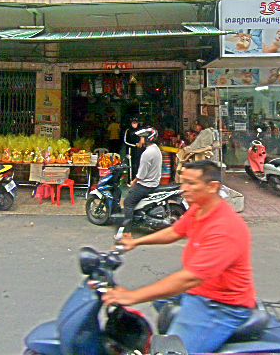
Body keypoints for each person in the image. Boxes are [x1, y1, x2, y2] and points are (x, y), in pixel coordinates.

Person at [104, 160, 256, 353]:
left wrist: (132, 296)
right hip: (201, 290)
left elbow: (189, 278)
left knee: (174, 350)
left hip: (221, 306)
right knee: (160, 301)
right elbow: (174, 232)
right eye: (183, 182)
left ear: (212, 187)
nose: (184, 189)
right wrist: (136, 242)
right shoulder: (199, 209)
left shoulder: (226, 228)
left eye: (191, 183)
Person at [122, 127, 162, 234]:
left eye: (141, 138)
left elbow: (141, 175)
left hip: (146, 185)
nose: (140, 140)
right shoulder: (156, 149)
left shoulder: (147, 153)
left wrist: (133, 182)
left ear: (147, 139)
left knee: (128, 203)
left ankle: (127, 232)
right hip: (154, 182)